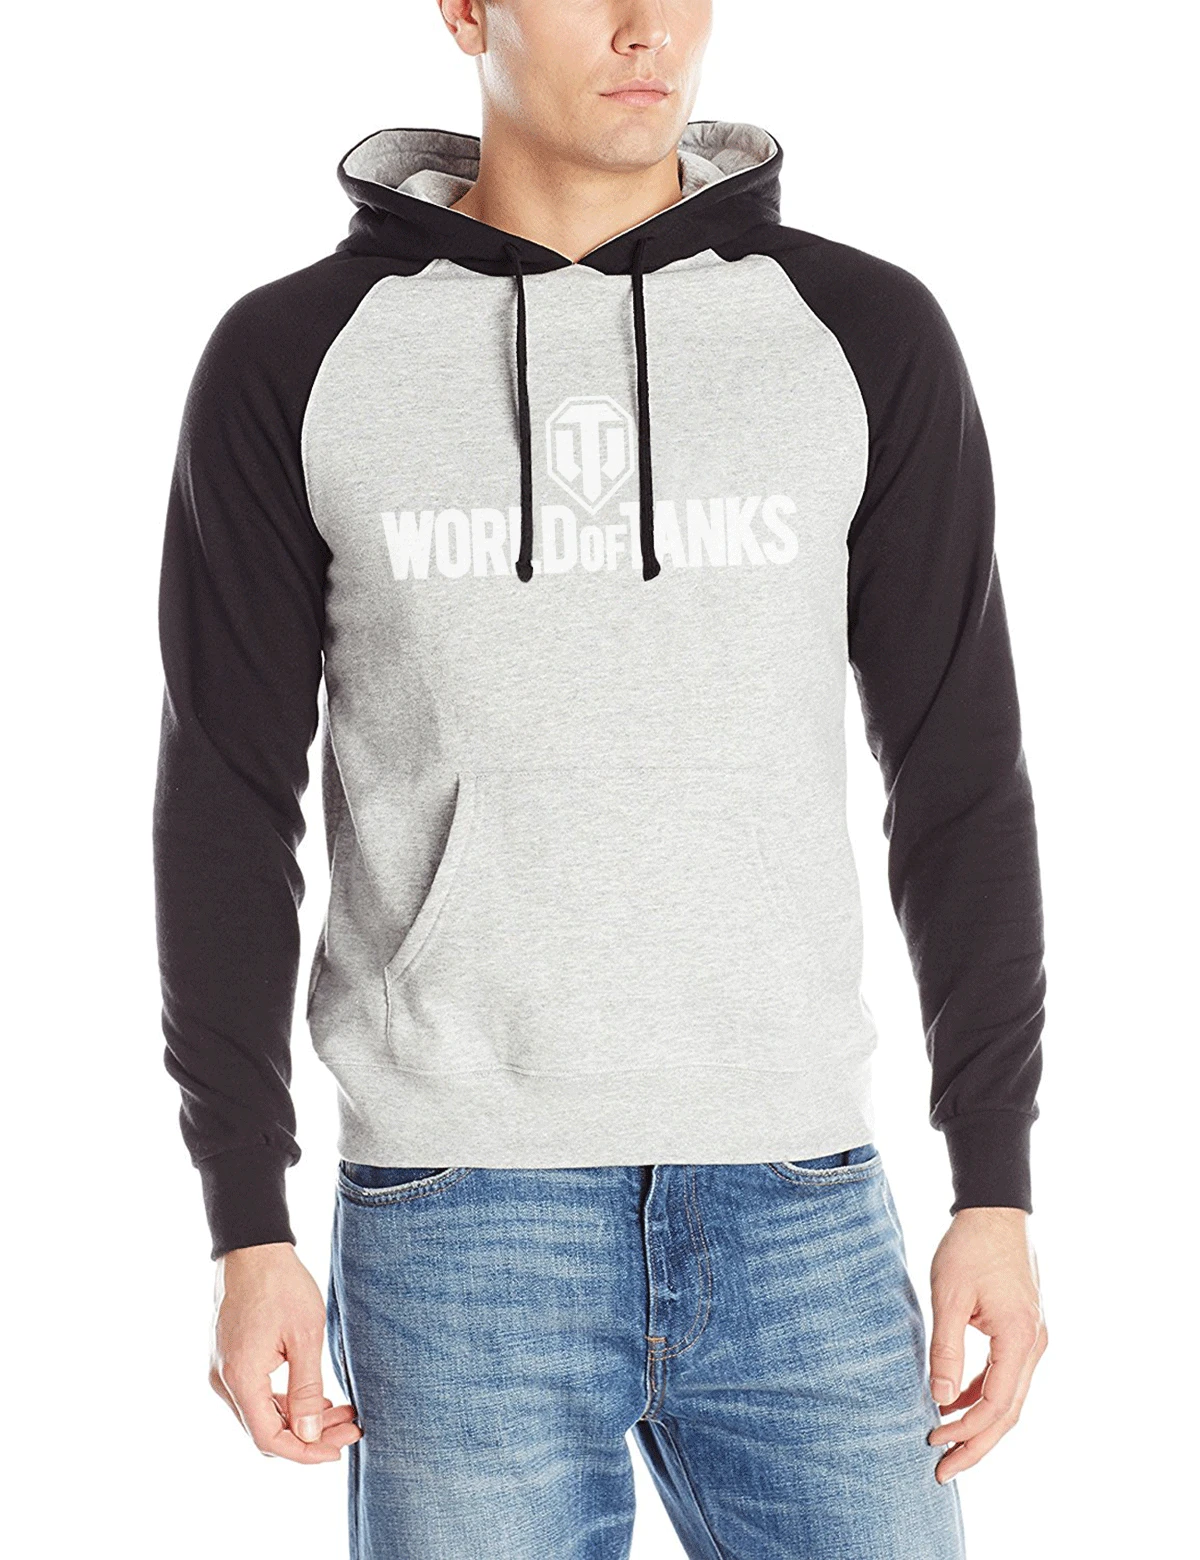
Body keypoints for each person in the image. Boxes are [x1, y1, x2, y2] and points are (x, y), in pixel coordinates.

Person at [152, 0, 1049, 1553]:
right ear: (467, 10)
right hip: (458, 1214)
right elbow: (225, 799)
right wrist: (246, 1218)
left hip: (799, 1192)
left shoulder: (859, 334)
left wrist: (997, 1185)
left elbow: (960, 769)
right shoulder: (297, 357)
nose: (648, 29)